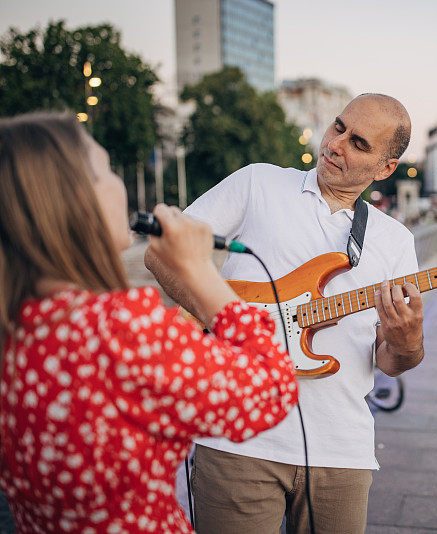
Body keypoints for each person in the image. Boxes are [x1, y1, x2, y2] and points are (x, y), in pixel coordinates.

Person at [0, 113, 299, 532]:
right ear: (72, 197)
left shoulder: (17, 329)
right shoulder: (122, 331)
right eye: (106, 169)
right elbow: (271, 388)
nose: (119, 183)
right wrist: (199, 271)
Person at [145, 94, 424, 533]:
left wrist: (407, 341)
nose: (336, 144)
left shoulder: (395, 241)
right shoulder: (259, 183)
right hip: (235, 439)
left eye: (360, 144)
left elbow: (390, 361)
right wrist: (228, 322)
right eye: (338, 127)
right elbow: (164, 248)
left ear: (386, 168)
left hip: (341, 454)